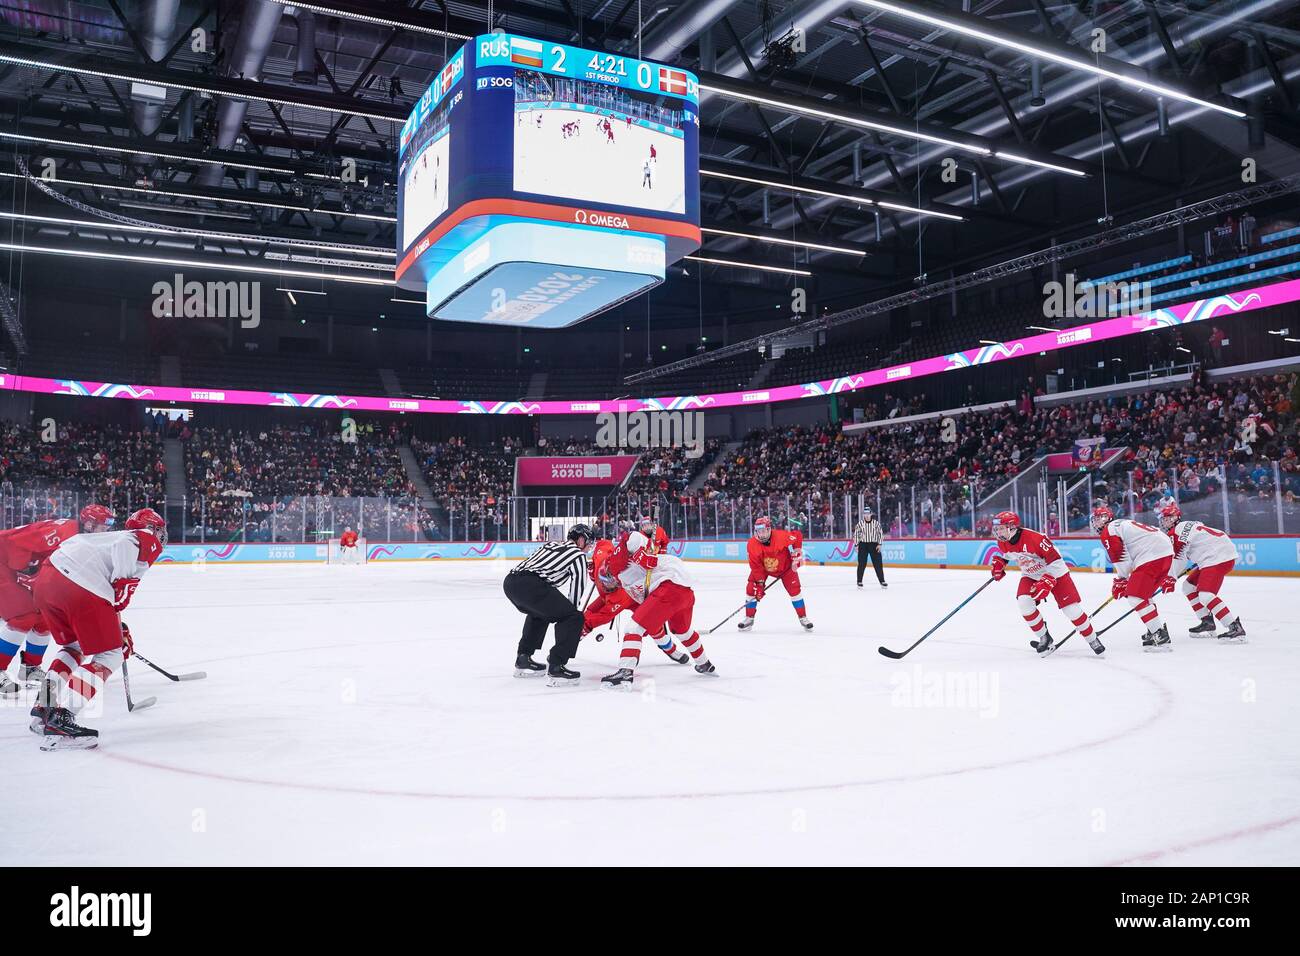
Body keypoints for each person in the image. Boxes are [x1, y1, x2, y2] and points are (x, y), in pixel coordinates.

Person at [30, 508, 167, 750]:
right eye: (159, 528)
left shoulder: (102, 539)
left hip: (47, 582)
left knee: (73, 647)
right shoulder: (142, 537)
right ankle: (63, 717)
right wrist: (116, 627)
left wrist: (115, 621)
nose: (161, 534)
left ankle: (44, 707)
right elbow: (120, 587)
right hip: (80, 586)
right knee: (111, 653)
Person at [0, 504, 114, 697]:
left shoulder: (82, 539)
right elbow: (19, 544)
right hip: (4, 562)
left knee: (46, 618)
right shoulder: (62, 533)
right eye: (104, 526)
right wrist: (26, 571)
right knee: (23, 617)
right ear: (88, 524)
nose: (107, 530)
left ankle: (30, 668)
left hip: (20, 566)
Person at [598, 527, 714, 688]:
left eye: (606, 579)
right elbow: (648, 605)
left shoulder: (616, 563)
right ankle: (704, 663)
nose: (608, 584)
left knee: (633, 628)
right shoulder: (627, 585)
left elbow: (631, 537)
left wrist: (641, 555)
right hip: (683, 592)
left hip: (670, 583)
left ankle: (625, 672)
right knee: (683, 631)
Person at [989, 511, 1103, 657]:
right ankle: (1044, 636)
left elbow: (1055, 559)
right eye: (997, 529)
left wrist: (1048, 579)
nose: (998, 532)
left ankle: (1092, 639)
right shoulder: (1003, 542)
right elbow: (1009, 554)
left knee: (1071, 610)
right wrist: (1001, 563)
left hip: (1056, 573)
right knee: (1024, 603)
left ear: (1012, 526)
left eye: (1001, 528)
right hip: (1031, 575)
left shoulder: (1036, 538)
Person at [504, 524, 593, 687]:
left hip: (511, 582)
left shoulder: (552, 544)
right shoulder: (578, 555)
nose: (589, 547)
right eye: (589, 543)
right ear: (581, 540)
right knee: (574, 617)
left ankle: (523, 657)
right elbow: (577, 589)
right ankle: (557, 666)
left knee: (540, 612)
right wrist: (570, 617)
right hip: (531, 585)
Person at [582, 535, 689, 664]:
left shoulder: (619, 592)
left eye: (612, 582)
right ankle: (569, 641)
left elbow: (602, 616)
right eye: (606, 581)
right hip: (614, 596)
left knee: (652, 625)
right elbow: (603, 544)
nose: (609, 585)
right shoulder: (601, 558)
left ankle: (671, 650)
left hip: (629, 597)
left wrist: (584, 625)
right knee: (584, 616)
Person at [1091, 505, 1175, 652]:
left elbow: (1120, 557)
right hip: (1164, 552)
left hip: (1152, 554)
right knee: (1144, 596)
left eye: (1101, 518)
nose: (1098, 522)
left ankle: (1160, 635)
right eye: (1096, 519)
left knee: (1135, 597)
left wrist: (1122, 579)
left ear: (1108, 518)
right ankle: (1154, 630)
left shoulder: (1109, 530)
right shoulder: (1120, 524)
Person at [1158, 501, 1245, 642]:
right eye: (1164, 519)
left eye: (1169, 519)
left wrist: (1171, 578)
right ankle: (1207, 622)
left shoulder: (1175, 532)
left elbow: (1179, 559)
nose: (1166, 522)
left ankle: (1235, 627)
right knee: (1188, 587)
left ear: (1176, 518)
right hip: (1216, 555)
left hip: (1217, 557)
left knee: (1206, 595)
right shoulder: (1191, 524)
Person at [738, 517, 812, 631]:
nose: (760, 534)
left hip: (786, 569)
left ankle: (803, 617)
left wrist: (797, 552)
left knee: (795, 591)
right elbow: (756, 567)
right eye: (758, 531)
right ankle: (749, 618)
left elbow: (797, 535)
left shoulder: (781, 536)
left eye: (763, 530)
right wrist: (760, 585)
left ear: (769, 529)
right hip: (765, 569)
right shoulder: (752, 544)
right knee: (751, 589)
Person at [852, 508, 886, 589]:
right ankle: (859, 581)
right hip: (863, 545)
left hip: (874, 545)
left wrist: (880, 544)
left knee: (878, 564)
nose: (866, 516)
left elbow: (880, 534)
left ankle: (882, 581)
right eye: (865, 514)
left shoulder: (876, 523)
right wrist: (856, 545)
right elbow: (856, 534)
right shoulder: (860, 523)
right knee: (862, 564)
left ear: (871, 514)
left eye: (868, 514)